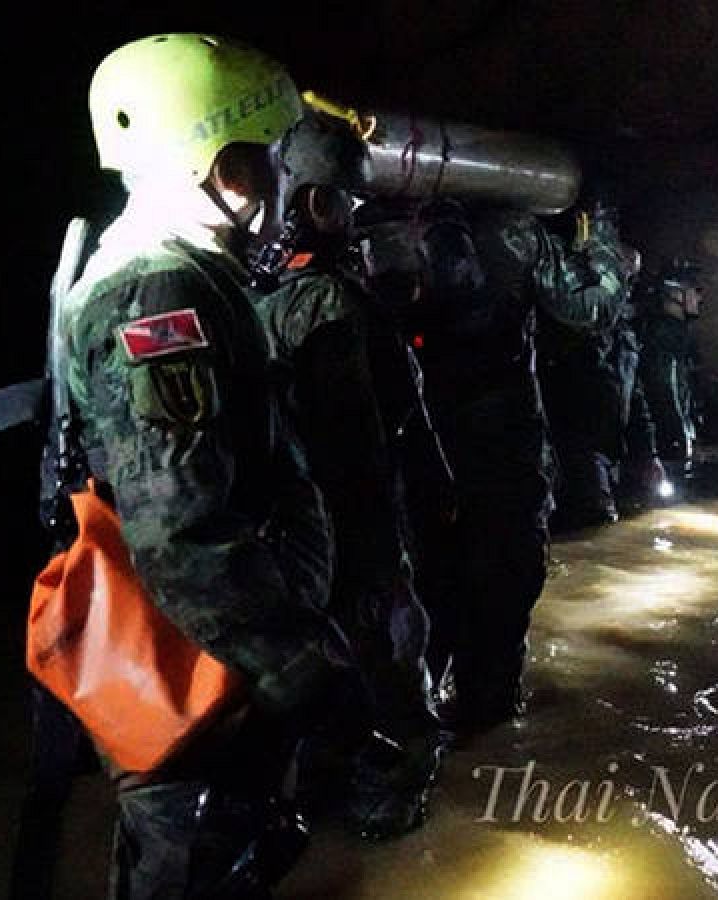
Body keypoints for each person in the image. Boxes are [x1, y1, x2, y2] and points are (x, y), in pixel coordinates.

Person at [58, 34, 359, 896]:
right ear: (220, 170)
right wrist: (301, 671)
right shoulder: (159, 291)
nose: (280, 181)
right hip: (204, 673)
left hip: (220, 659)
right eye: (266, 158)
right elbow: (180, 527)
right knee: (195, 870)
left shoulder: (182, 271)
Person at [364, 198, 631, 735]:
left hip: (417, 469)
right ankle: (484, 744)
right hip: (501, 464)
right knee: (499, 605)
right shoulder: (515, 233)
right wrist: (603, 240)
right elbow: (592, 307)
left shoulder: (376, 235)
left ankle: (415, 741)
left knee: (424, 608)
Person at [251, 108, 442, 839]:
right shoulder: (329, 301)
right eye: (348, 204)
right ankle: (392, 802)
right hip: (351, 530)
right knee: (389, 660)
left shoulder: (249, 296)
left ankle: (325, 803)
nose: (355, 221)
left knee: (325, 678)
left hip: (291, 539)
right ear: (319, 205)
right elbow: (357, 443)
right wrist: (382, 557)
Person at [535, 204, 641, 528]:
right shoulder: (583, 328)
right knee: (589, 519)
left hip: (604, 453)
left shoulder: (620, 335)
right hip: (581, 453)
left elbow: (632, 396)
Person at [634, 259, 704, 473]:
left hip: (665, 442)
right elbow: (667, 390)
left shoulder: (673, 332)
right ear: (675, 294)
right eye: (695, 289)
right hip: (665, 445)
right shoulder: (665, 335)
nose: (700, 297)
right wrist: (679, 438)